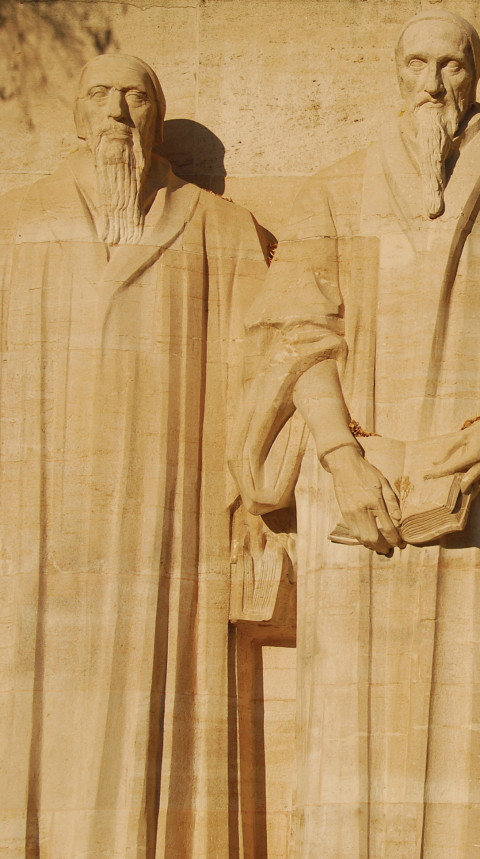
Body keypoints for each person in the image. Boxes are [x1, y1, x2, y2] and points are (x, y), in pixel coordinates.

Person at [230, 11, 480, 857]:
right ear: (396, 73)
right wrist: (342, 459)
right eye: (417, 63)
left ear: (476, 75)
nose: (433, 82)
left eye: (450, 65)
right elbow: (297, 336)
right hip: (357, 490)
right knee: (350, 732)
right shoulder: (335, 189)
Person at [0, 54, 268, 856]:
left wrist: (248, 496)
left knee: (168, 685)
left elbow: (267, 357)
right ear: (77, 115)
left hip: (170, 503)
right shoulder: (18, 222)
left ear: (157, 115)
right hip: (39, 500)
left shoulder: (216, 225)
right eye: (100, 94)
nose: (117, 109)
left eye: (136, 94)